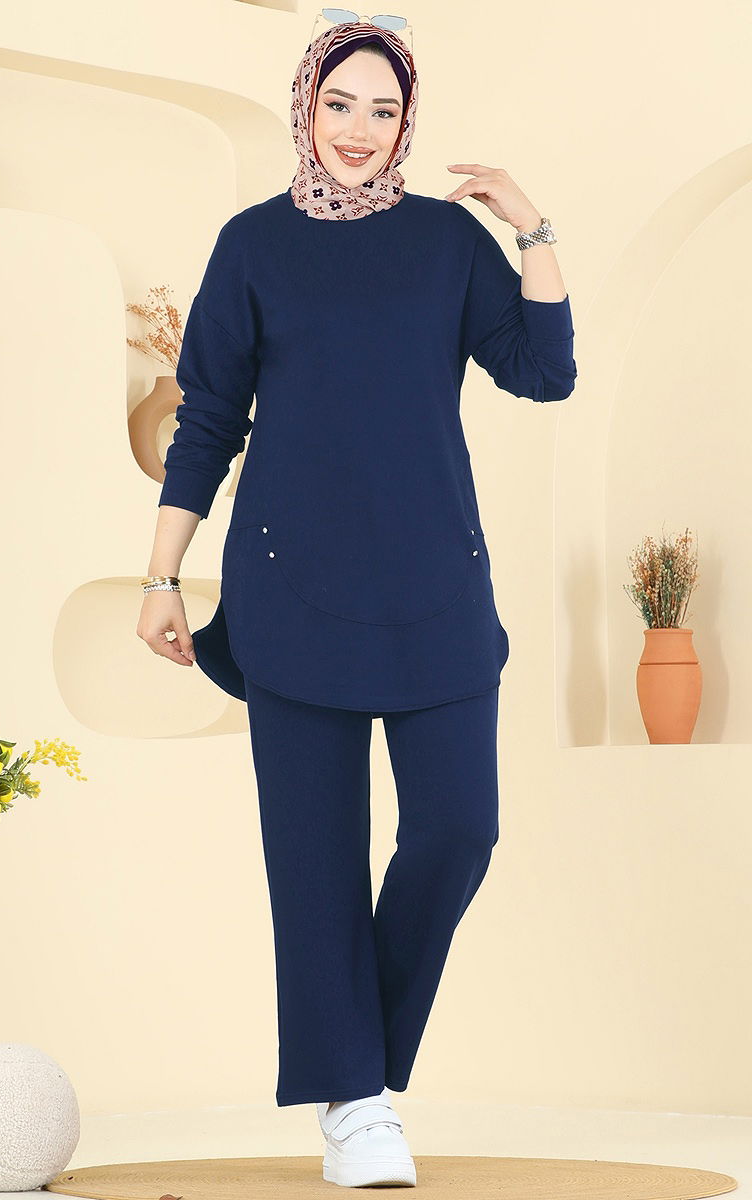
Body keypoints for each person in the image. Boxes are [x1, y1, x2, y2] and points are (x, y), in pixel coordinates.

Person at [138, 13, 576, 1189]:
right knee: (314, 861)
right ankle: (356, 1105)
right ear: (306, 105)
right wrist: (163, 574)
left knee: (457, 831)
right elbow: (207, 421)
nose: (357, 129)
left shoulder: (445, 242)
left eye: (383, 110)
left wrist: (530, 227)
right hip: (291, 589)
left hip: (435, 587)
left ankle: (354, 1064)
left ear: (405, 122)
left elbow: (544, 372)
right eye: (340, 103)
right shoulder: (252, 246)